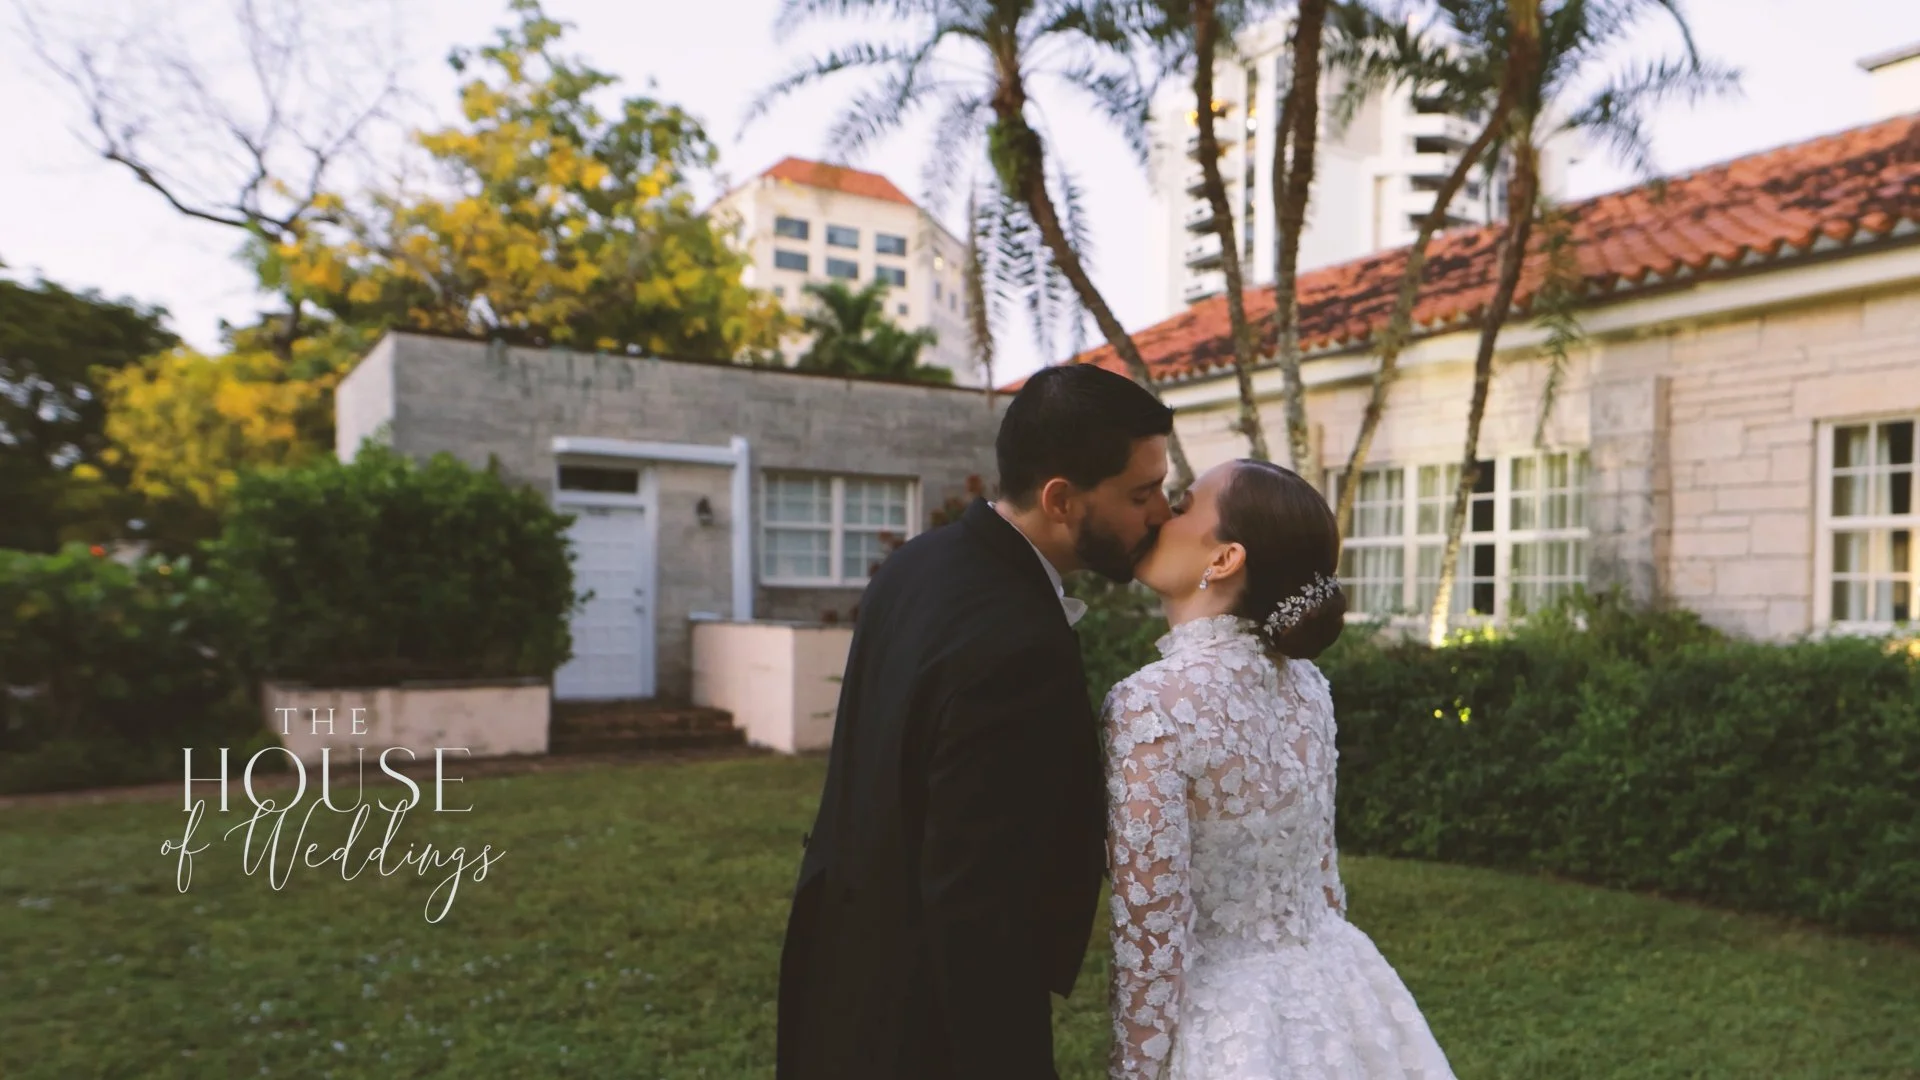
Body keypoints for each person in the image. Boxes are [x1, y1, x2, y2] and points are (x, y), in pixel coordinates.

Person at [776, 363, 1177, 1079]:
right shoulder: (1020, 646)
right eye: (1142, 493)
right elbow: (980, 909)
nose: (1163, 513)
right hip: (925, 1028)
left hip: (838, 980)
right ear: (1060, 498)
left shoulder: (916, 565)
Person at [1104, 459, 1457, 1079]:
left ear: (1224, 559)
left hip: (1233, 1021)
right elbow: (1322, 878)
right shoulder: (1309, 687)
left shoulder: (1149, 705)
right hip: (1337, 983)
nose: (1161, 513)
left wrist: (1136, 1068)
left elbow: (1152, 932)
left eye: (1184, 505)